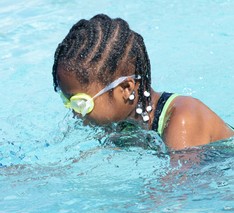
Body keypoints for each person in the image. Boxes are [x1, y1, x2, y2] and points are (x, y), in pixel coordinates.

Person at [52, 14, 234, 150]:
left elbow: (176, 192)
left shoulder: (183, 119)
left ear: (125, 88)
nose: (73, 112)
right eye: (66, 100)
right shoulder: (121, 123)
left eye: (80, 103)